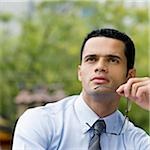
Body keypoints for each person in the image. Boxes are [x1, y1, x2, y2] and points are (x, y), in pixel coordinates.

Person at [12, 28, 150, 150]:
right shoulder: (41, 122)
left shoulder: (137, 141)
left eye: (113, 60)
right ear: (80, 72)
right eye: (91, 59)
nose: (100, 67)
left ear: (130, 75)